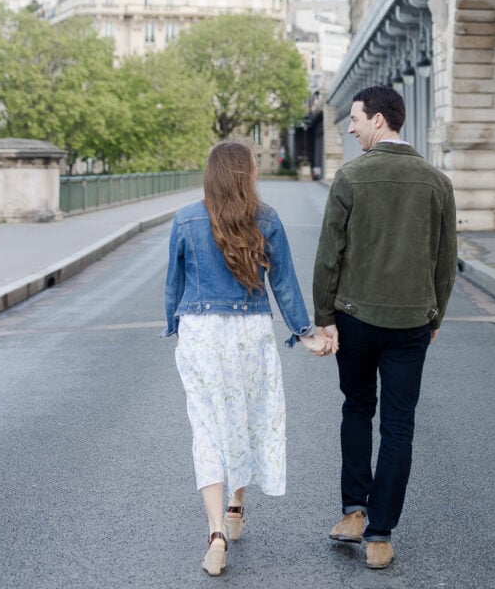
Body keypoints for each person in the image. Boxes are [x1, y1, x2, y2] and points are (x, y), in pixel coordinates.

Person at [163, 139, 326, 577]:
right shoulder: (266, 218)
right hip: (249, 333)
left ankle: (216, 532)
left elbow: (173, 285)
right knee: (247, 415)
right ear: (247, 173)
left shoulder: (185, 218)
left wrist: (174, 325)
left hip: (201, 334)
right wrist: (305, 334)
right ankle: (236, 507)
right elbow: (284, 283)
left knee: (208, 426)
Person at [313, 85, 457, 570]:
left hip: (355, 318)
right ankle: (379, 534)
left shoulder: (351, 178)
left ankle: (353, 510)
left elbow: (329, 256)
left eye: (354, 119)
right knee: (399, 428)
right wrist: (434, 313)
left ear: (379, 120)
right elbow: (445, 259)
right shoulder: (436, 181)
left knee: (357, 409)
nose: (349, 128)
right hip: (412, 321)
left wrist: (325, 317)